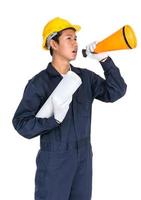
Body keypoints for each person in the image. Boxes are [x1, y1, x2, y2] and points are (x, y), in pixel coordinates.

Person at [12, 17, 127, 200]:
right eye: (69, 38)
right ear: (53, 44)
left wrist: (104, 59)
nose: (75, 43)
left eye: (76, 38)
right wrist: (53, 120)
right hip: (54, 161)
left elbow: (117, 91)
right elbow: (21, 123)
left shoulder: (85, 78)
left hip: (83, 159)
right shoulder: (39, 84)